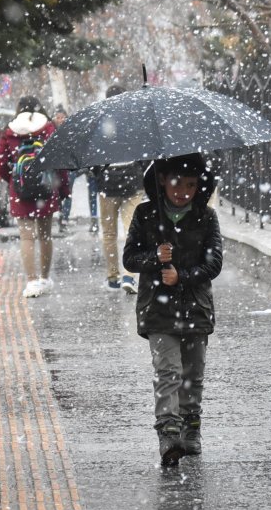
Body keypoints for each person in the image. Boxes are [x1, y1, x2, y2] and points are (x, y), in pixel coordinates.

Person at [122, 153, 222, 467]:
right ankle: (168, 434)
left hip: (195, 308)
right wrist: (155, 256)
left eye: (191, 185)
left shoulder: (206, 217)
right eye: (176, 182)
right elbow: (129, 259)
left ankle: (192, 428)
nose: (183, 191)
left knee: (193, 375)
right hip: (158, 310)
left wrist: (183, 276)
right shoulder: (146, 214)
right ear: (162, 180)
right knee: (168, 372)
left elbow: (213, 264)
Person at [0, 96, 70, 298]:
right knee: (45, 236)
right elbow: (59, 159)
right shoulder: (48, 128)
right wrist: (63, 189)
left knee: (27, 237)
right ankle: (44, 278)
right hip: (45, 187)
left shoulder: (9, 131)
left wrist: (13, 180)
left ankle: (32, 282)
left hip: (21, 191)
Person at [91, 84, 144, 292]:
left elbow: (92, 157)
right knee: (132, 230)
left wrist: (99, 174)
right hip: (132, 182)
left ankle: (113, 276)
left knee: (109, 234)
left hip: (108, 186)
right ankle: (130, 276)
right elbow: (143, 152)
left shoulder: (99, 122)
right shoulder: (133, 120)